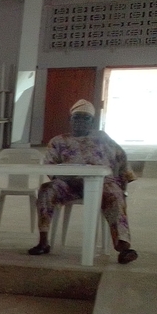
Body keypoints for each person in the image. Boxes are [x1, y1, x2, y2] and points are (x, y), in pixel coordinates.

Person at [28, 100, 138, 264]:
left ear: (92, 121)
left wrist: (123, 186)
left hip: (101, 184)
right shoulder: (59, 141)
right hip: (69, 184)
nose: (80, 121)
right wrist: (64, 176)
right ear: (70, 120)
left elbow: (121, 160)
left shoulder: (102, 138)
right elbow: (49, 166)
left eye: (85, 118)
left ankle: (124, 248)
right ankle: (43, 241)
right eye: (76, 117)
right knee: (46, 190)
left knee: (116, 195)